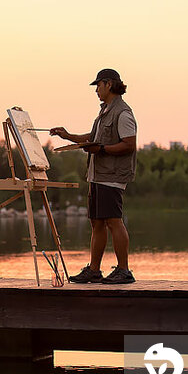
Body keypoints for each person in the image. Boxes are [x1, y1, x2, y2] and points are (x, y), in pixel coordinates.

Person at [50, 68, 137, 284]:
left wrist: (102, 150)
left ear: (108, 84)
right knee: (97, 223)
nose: (96, 90)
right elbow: (92, 138)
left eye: (98, 85)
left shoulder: (123, 113)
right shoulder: (105, 111)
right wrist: (67, 135)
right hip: (97, 176)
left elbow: (129, 145)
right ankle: (94, 270)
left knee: (114, 221)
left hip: (111, 176)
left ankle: (124, 270)